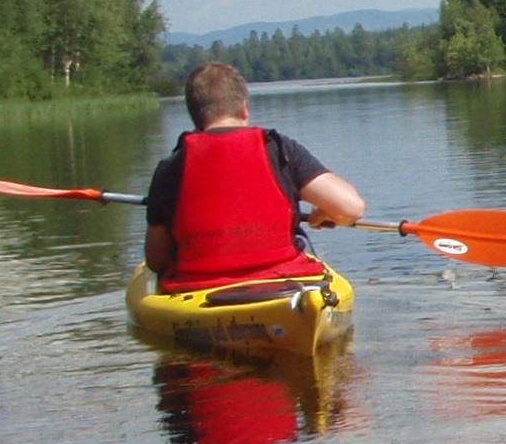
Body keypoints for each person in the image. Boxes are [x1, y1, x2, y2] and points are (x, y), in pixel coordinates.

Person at [144, 61, 366, 288]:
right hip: (281, 283)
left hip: (199, 288)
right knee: (299, 238)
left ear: (194, 116)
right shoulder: (278, 148)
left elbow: (156, 260)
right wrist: (326, 212)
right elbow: (351, 208)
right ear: (244, 108)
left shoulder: (169, 168)